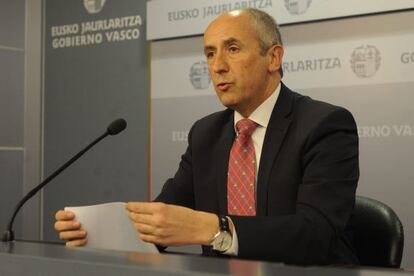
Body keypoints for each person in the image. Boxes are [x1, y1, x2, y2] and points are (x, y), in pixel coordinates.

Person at [55, 8, 359, 265]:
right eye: (210, 53)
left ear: (273, 58)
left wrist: (217, 228)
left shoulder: (325, 124)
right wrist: (99, 234)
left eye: (233, 49)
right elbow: (165, 217)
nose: (217, 66)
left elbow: (316, 233)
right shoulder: (206, 133)